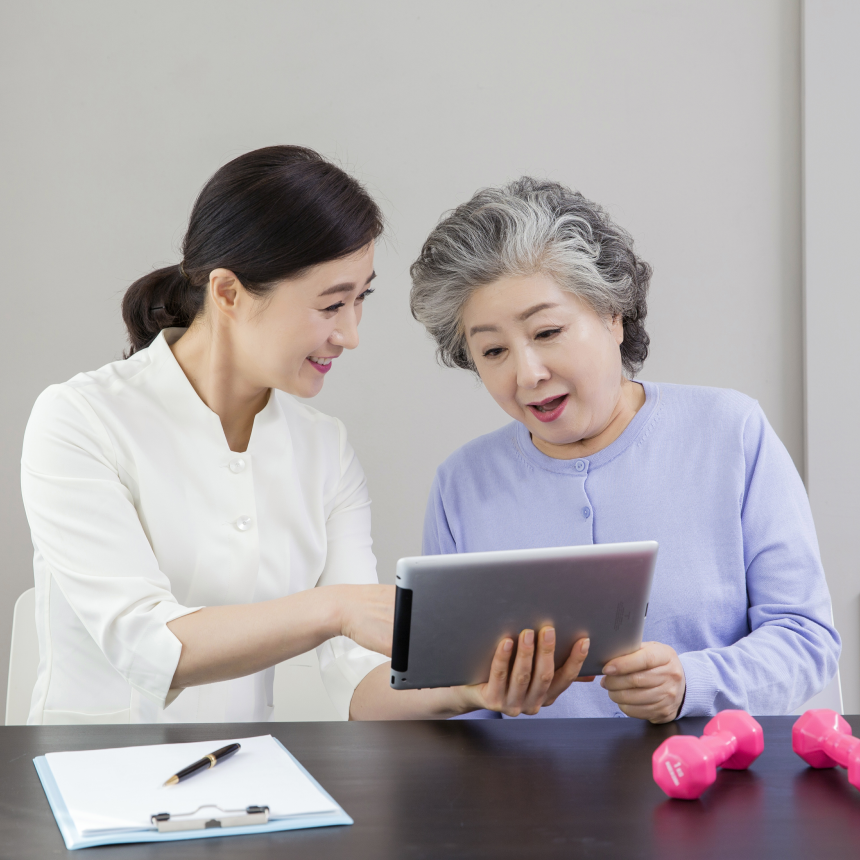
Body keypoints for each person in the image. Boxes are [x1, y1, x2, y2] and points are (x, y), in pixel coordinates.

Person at [21, 149, 590, 725]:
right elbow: (147, 644)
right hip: (91, 770)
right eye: (331, 305)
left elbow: (359, 678)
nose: (350, 334)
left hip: (244, 770)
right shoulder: (80, 420)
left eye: (360, 299)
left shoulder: (324, 450)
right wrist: (334, 609)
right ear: (228, 293)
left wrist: (471, 690)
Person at [409, 177, 841, 724]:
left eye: (547, 331)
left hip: (710, 768)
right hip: (527, 779)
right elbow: (452, 691)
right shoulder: (462, 483)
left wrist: (691, 684)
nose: (527, 374)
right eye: (493, 350)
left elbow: (806, 638)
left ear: (613, 315)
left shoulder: (730, 433)